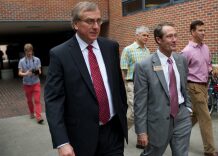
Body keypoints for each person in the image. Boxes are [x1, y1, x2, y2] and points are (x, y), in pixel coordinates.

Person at [44, 2, 128, 156]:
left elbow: (118, 86)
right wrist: (62, 142)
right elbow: (54, 101)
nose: (96, 26)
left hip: (113, 131)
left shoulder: (111, 47)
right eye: (89, 21)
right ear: (75, 24)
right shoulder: (60, 54)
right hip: (80, 137)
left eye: (98, 21)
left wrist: (122, 111)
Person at [134, 22, 192, 156]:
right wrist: (141, 131)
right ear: (158, 40)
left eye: (175, 36)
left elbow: (184, 86)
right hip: (158, 120)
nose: (174, 40)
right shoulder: (144, 66)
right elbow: (140, 102)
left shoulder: (181, 60)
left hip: (182, 116)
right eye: (169, 36)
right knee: (153, 153)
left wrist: (188, 107)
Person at [181, 20, 218, 156]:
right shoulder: (186, 51)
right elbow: (181, 72)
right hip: (193, 86)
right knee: (205, 117)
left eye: (204, 30)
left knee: (194, 116)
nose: (203, 33)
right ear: (192, 32)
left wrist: (213, 70)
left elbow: (208, 65)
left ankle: (176, 133)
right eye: (200, 30)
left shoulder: (206, 48)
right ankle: (209, 151)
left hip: (205, 85)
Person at [120, 26, 150, 137]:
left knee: (143, 112)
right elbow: (123, 70)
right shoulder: (128, 50)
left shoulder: (147, 50)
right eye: (144, 35)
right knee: (133, 112)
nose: (146, 37)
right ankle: (120, 132)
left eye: (147, 35)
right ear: (137, 35)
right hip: (131, 83)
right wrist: (124, 88)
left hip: (145, 85)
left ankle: (141, 137)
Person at [18, 43, 44, 124]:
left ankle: (39, 117)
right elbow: (19, 73)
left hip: (36, 83)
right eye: (27, 51)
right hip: (27, 84)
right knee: (29, 100)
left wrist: (36, 72)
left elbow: (39, 71)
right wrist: (25, 73)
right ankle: (31, 112)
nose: (29, 53)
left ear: (32, 51)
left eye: (30, 51)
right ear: (25, 52)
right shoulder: (21, 61)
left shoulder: (37, 59)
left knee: (37, 100)